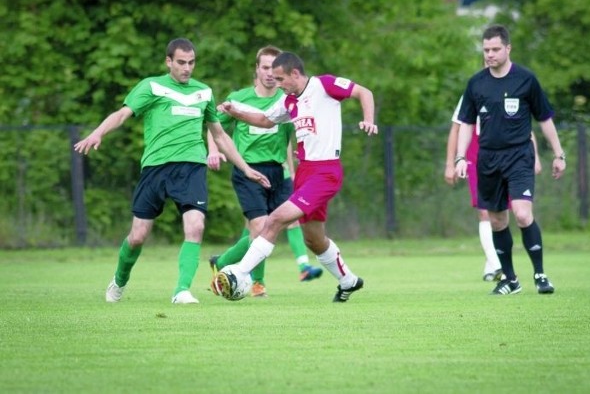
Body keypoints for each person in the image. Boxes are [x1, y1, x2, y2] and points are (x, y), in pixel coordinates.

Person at [74, 38, 270, 304]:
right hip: (156, 168)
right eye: (181, 62)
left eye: (191, 63)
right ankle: (119, 281)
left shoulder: (204, 92)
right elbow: (122, 115)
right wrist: (97, 133)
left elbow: (220, 135)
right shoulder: (151, 86)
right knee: (138, 236)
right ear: (169, 62)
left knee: (196, 226)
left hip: (191, 167)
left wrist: (245, 168)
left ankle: (181, 290)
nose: (187, 68)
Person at [213, 51, 377, 302]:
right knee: (313, 238)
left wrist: (368, 120)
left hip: (326, 172)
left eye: (280, 79)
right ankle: (349, 281)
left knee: (275, 218)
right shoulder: (288, 101)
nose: (277, 84)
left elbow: (364, 92)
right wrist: (235, 112)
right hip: (305, 172)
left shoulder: (324, 85)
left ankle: (239, 273)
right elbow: (265, 120)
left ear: (295, 74)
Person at [454, 24, 566, 295]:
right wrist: (459, 157)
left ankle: (540, 275)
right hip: (488, 159)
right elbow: (466, 123)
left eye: (495, 49)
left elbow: (544, 118)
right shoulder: (476, 83)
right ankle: (511, 280)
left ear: (507, 48)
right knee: (497, 221)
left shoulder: (526, 80)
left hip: (519, 155)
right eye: (486, 50)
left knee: (523, 214)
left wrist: (558, 154)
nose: (489, 55)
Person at [206, 45, 323, 298]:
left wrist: (302, 154)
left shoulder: (287, 99)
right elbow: (213, 124)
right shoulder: (238, 98)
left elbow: (299, 130)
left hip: (278, 172)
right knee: (259, 227)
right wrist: (213, 150)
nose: (270, 73)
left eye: (274, 68)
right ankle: (257, 283)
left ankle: (222, 260)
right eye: (265, 67)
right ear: (257, 69)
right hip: (247, 170)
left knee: (273, 227)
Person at [445, 95, 542, 282]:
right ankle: (497, 265)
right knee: (484, 212)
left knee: (508, 213)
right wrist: (451, 163)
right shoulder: (473, 92)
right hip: (478, 157)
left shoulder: (514, 89)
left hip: (511, 157)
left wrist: (535, 156)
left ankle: (492, 264)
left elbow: (524, 126)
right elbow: (456, 129)